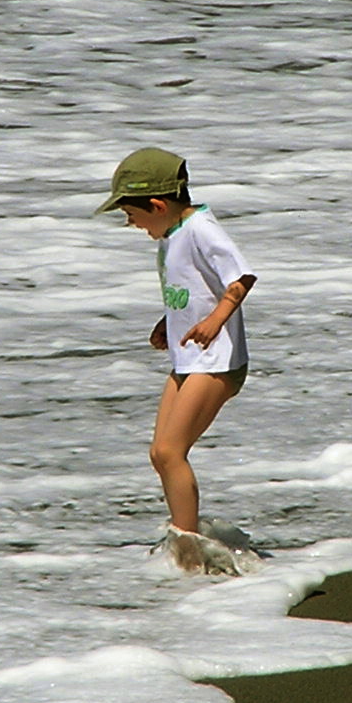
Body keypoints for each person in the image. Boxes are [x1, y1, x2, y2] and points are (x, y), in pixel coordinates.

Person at [97, 147, 255, 570]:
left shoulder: (201, 227)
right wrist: (167, 322)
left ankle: (190, 554)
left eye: (131, 214)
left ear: (157, 205)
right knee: (159, 452)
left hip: (217, 362)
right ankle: (189, 539)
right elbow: (192, 289)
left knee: (171, 451)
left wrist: (215, 322)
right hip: (190, 360)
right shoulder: (171, 235)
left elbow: (240, 278)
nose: (130, 223)